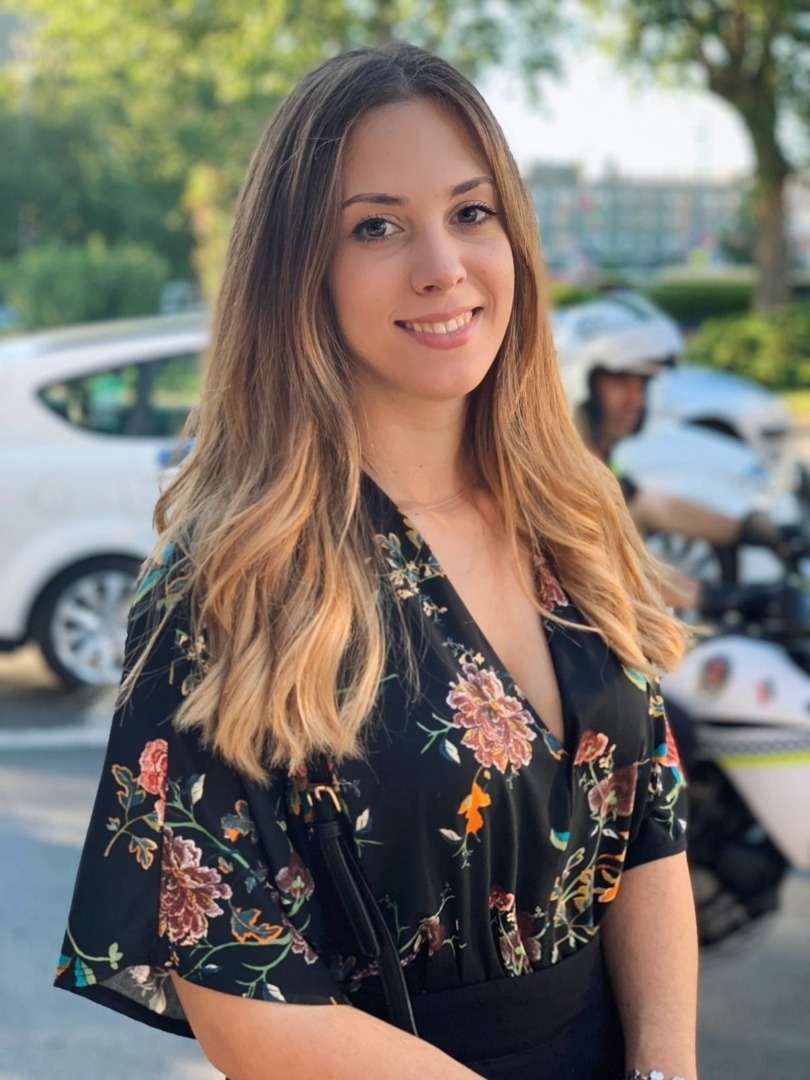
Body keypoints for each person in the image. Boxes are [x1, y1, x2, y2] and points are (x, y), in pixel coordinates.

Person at [55, 44, 698, 1080]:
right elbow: (240, 989)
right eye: (377, 227)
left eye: (471, 211)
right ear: (297, 272)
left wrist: (666, 1068)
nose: (442, 264)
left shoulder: (570, 513)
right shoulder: (228, 579)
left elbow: (648, 823)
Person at [562, 294, 794, 607]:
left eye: (642, 383)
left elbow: (647, 504)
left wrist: (755, 528)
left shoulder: (599, 461)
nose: (636, 399)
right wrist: (715, 598)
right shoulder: (562, 477)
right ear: (578, 382)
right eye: (620, 381)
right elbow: (610, 576)